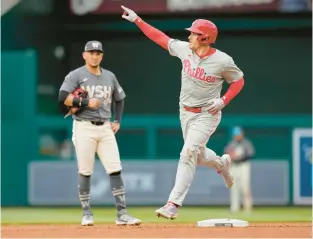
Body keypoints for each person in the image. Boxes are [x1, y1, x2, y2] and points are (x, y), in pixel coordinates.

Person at [121, 6, 245, 219]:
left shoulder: (223, 61)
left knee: (187, 153)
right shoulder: (185, 49)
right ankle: (221, 163)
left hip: (208, 113)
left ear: (205, 38)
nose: (189, 35)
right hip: (185, 112)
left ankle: (173, 204)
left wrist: (224, 100)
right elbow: (160, 38)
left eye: (194, 33)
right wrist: (137, 20)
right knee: (196, 155)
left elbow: (238, 80)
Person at [58, 40, 141, 226]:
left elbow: (120, 99)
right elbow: (62, 97)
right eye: (91, 52)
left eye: (98, 53)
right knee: (85, 170)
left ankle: (122, 213)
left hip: (105, 127)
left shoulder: (109, 76)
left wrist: (117, 120)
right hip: (83, 126)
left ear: (102, 56)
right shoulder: (76, 75)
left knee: (115, 168)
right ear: (84, 55)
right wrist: (86, 103)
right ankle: (86, 213)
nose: (95, 56)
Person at [224, 126, 255, 213]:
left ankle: (247, 207)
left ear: (242, 134)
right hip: (234, 166)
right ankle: (234, 207)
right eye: (236, 134)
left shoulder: (246, 143)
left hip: (243, 166)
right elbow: (226, 153)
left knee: (245, 186)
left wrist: (240, 157)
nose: (237, 136)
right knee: (234, 187)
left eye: (238, 134)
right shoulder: (231, 144)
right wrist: (231, 156)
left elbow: (250, 154)